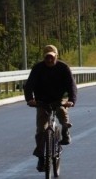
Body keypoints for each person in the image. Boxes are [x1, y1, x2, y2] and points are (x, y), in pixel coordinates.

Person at [23, 44, 77, 172]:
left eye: (51, 57)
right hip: (42, 102)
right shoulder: (38, 68)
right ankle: (41, 158)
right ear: (44, 57)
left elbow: (72, 85)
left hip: (58, 100)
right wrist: (30, 99)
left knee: (62, 113)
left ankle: (65, 130)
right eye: (47, 57)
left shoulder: (63, 68)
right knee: (41, 130)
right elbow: (29, 85)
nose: (49, 60)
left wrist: (71, 100)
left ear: (56, 56)